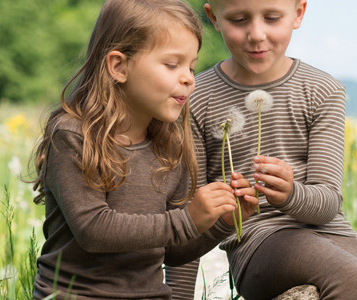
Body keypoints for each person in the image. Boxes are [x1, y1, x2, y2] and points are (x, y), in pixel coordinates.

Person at [165, 0, 357, 299]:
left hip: (333, 234)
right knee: (351, 276)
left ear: (299, 13)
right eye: (239, 19)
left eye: (272, 18)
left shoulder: (323, 90)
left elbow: (328, 202)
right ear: (214, 17)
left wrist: (292, 194)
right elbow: (190, 218)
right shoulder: (195, 99)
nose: (256, 34)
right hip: (258, 243)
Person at [29, 0, 258, 299]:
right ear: (119, 66)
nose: (189, 77)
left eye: (191, 66)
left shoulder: (169, 147)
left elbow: (172, 251)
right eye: (172, 64)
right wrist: (187, 219)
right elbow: (93, 230)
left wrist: (220, 222)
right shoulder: (73, 135)